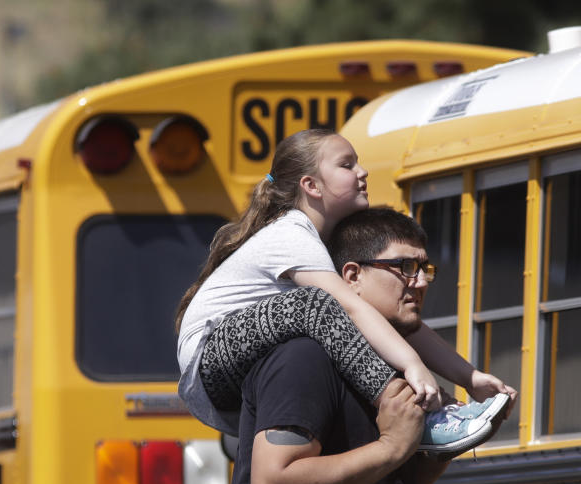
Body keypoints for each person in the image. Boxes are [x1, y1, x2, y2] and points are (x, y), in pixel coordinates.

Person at [224, 206, 504, 484]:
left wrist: (440, 447)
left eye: (425, 267)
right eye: (403, 267)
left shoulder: (383, 367)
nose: (420, 280)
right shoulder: (304, 356)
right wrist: (390, 447)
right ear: (350, 275)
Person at [175, 129, 515, 455]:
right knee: (322, 305)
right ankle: (417, 415)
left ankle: (439, 409)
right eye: (347, 164)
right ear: (311, 186)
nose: (362, 171)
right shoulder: (291, 233)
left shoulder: (324, 246)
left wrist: (469, 376)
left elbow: (383, 320)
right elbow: (347, 308)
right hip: (211, 360)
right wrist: (412, 366)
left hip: (244, 363)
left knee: (376, 312)